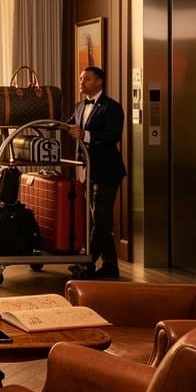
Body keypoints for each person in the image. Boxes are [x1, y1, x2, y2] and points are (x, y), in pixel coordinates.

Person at [67, 66, 127, 279]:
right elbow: (68, 125)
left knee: (100, 219)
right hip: (88, 170)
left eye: (87, 79)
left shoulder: (112, 107)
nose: (82, 82)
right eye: (81, 78)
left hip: (108, 171)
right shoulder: (80, 105)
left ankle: (87, 262)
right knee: (99, 219)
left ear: (100, 82)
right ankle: (111, 267)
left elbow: (112, 137)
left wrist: (85, 134)